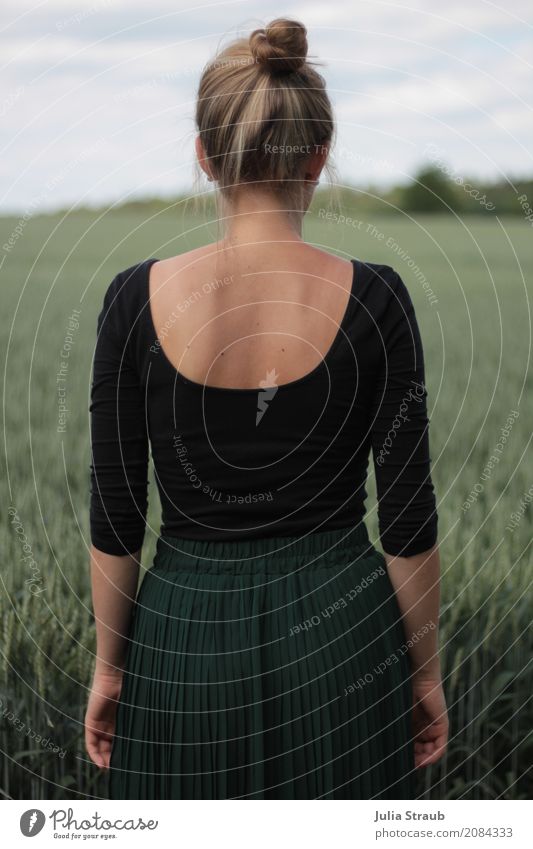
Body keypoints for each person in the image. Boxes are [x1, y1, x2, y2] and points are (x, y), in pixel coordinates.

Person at [85, 17, 448, 800]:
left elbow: (116, 515)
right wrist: (424, 673)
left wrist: (111, 667)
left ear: (205, 158)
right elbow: (409, 519)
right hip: (344, 640)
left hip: (184, 641)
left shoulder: (130, 300)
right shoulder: (378, 296)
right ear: (319, 157)